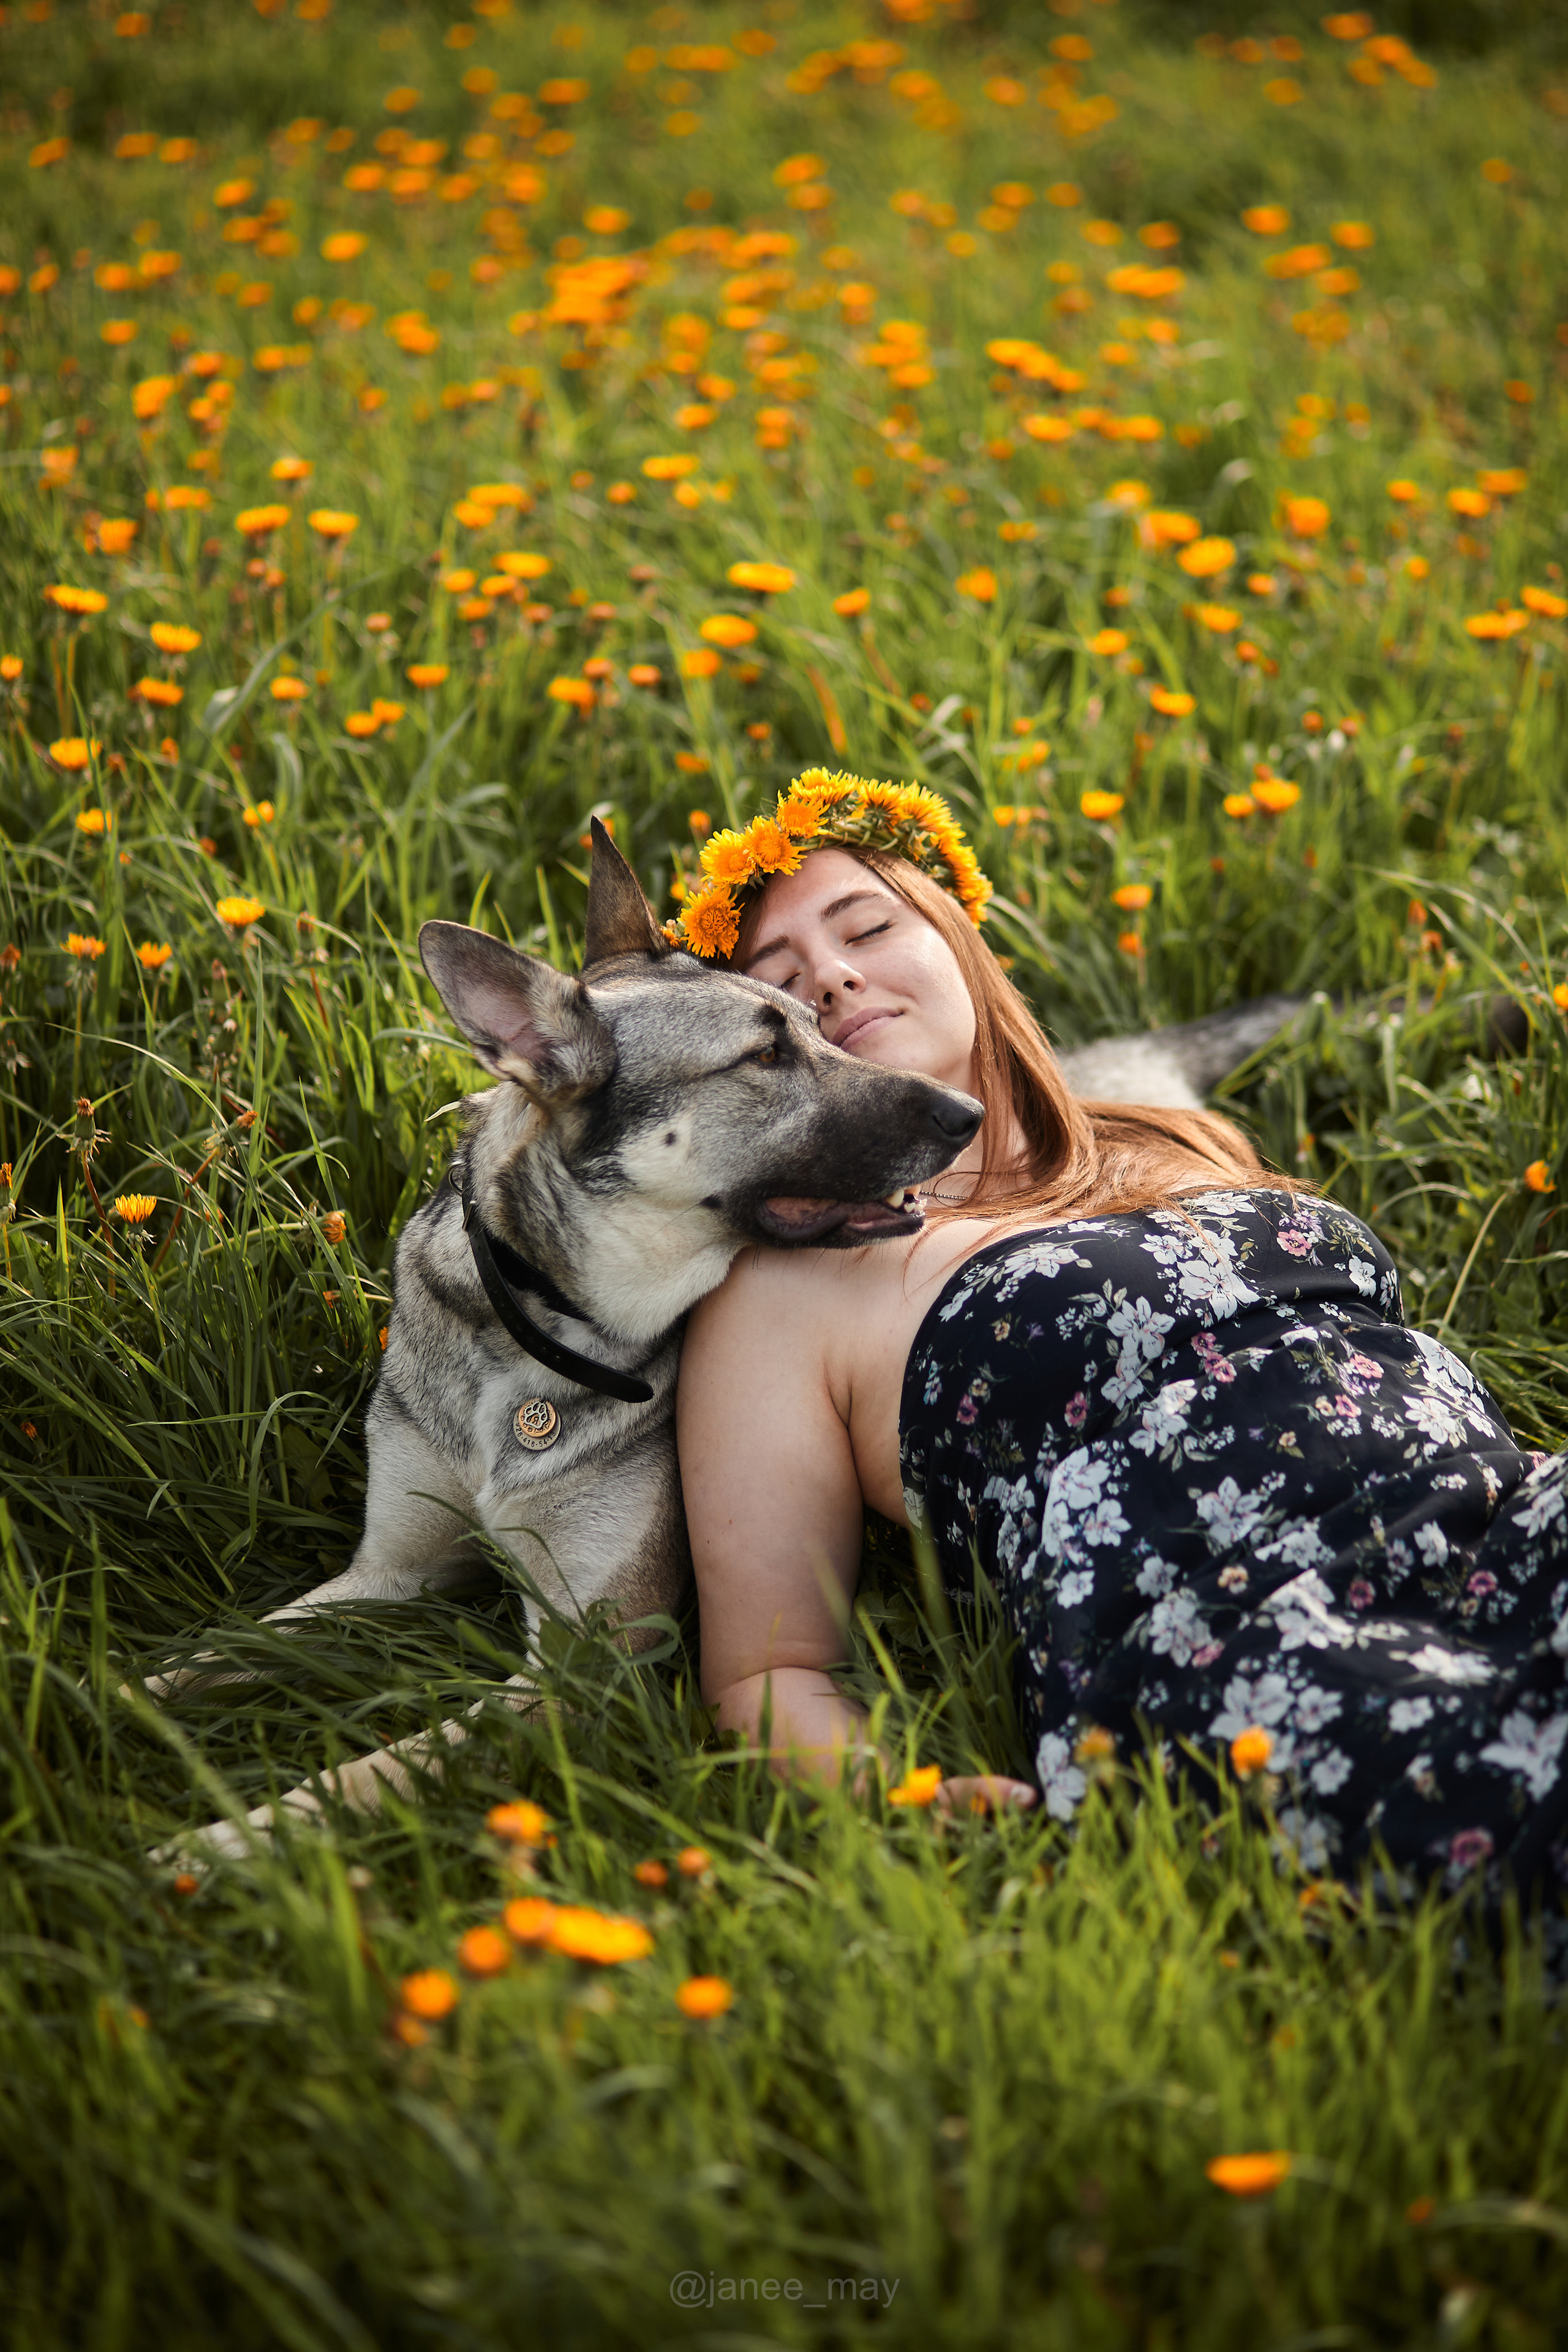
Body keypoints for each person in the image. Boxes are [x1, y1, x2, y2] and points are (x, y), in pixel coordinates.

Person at [674, 771, 1568, 1909]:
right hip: (1250, 1632)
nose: (836, 975)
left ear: (961, 945)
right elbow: (765, 1670)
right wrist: (901, 1796)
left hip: (1506, 1510)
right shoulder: (785, 1295)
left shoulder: (1167, 1139)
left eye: (866, 927)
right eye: (781, 987)